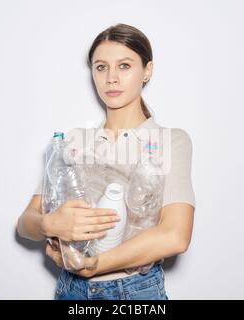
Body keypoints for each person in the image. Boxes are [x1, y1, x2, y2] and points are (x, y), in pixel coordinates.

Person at [17, 23, 196, 300]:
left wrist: (96, 265)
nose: (111, 77)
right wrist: (50, 225)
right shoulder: (73, 141)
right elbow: (26, 222)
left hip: (135, 291)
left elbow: (175, 236)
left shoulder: (170, 141)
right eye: (101, 67)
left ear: (147, 70)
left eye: (124, 66)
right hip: (71, 290)